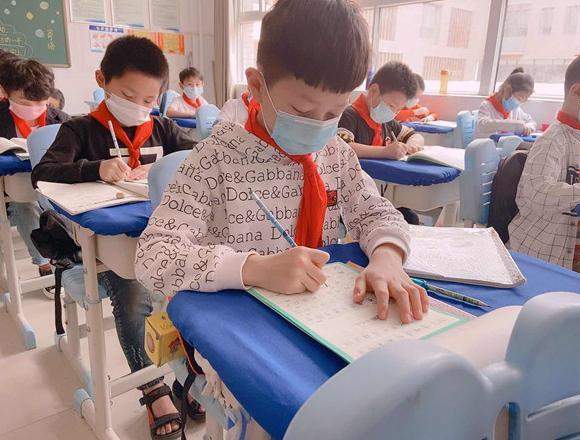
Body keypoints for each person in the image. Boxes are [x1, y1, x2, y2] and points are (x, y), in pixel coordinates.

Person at [136, 0, 427, 338]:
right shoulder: (214, 160)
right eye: (302, 110)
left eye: (335, 112)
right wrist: (254, 268)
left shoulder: (335, 154)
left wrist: (387, 257)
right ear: (257, 87)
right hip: (242, 329)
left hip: (319, 320)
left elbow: (377, 212)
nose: (319, 126)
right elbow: (152, 256)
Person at [31, 36, 196, 439]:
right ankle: (152, 388)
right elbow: (43, 172)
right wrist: (95, 168)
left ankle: (187, 373)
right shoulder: (79, 129)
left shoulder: (162, 127)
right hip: (104, 247)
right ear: (101, 79)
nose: (138, 106)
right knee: (132, 292)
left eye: (148, 99)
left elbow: (198, 157)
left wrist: (170, 167)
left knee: (191, 292)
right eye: (127, 95)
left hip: (160, 237)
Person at [509, 54, 580, 275]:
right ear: (577, 92)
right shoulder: (553, 140)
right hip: (545, 258)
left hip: (574, 254)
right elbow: (538, 193)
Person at [0, 57, 69, 298]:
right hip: (15, 186)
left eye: (40, 102)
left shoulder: (61, 120)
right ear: (6, 92)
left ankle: (69, 256)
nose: (33, 107)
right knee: (24, 205)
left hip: (53, 184)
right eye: (24, 102)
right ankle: (45, 264)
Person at [337, 61, 424, 160]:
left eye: (398, 110)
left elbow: (415, 135)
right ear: (374, 91)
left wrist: (411, 146)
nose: (393, 113)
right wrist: (383, 151)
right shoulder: (348, 115)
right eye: (391, 106)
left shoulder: (386, 122)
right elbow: (342, 147)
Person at [474, 68, 537, 139]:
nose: (520, 102)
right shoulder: (487, 106)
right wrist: (513, 125)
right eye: (519, 97)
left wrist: (528, 127)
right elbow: (482, 125)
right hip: (486, 144)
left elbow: (531, 122)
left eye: (524, 100)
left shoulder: (516, 109)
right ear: (507, 91)